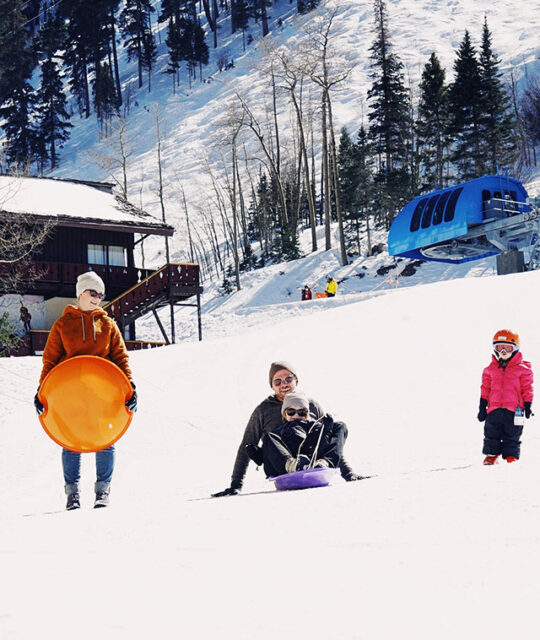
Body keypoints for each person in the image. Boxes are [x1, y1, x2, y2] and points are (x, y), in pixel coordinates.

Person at [33, 271, 137, 510]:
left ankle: (103, 491)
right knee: (71, 441)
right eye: (93, 293)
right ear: (81, 293)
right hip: (70, 393)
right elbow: (50, 361)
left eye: (101, 294)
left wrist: (130, 387)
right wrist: (42, 391)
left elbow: (121, 358)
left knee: (106, 439)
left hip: (102, 392)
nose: (98, 298)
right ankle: (72, 495)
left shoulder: (108, 325)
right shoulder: (62, 325)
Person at [212, 360, 363, 497]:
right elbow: (246, 444)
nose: (283, 384)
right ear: (272, 386)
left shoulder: (311, 405)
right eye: (277, 381)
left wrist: (348, 473)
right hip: (284, 468)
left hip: (312, 462)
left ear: (296, 381)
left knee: (337, 426)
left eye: (288, 379)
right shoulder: (263, 411)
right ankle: (293, 464)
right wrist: (236, 484)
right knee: (269, 438)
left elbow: (330, 440)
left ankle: (321, 463)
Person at [258, 391, 347, 477]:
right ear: (285, 414)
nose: (296, 415)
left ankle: (325, 462)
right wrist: (257, 454)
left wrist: (326, 428)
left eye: (301, 412)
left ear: (307, 414)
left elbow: (328, 444)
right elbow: (273, 452)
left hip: (312, 455)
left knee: (340, 425)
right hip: (288, 462)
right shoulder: (278, 432)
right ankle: (293, 465)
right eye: (291, 412)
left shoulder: (313, 426)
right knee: (268, 437)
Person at [477, 330, 533, 465]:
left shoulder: (523, 369)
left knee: (512, 433)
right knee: (491, 432)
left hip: (515, 410)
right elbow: (485, 388)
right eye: (499, 347)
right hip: (494, 408)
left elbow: (527, 388)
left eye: (507, 347)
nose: (503, 351)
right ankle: (491, 454)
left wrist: (528, 405)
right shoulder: (490, 370)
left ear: (515, 349)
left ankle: (510, 455)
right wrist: (482, 406)